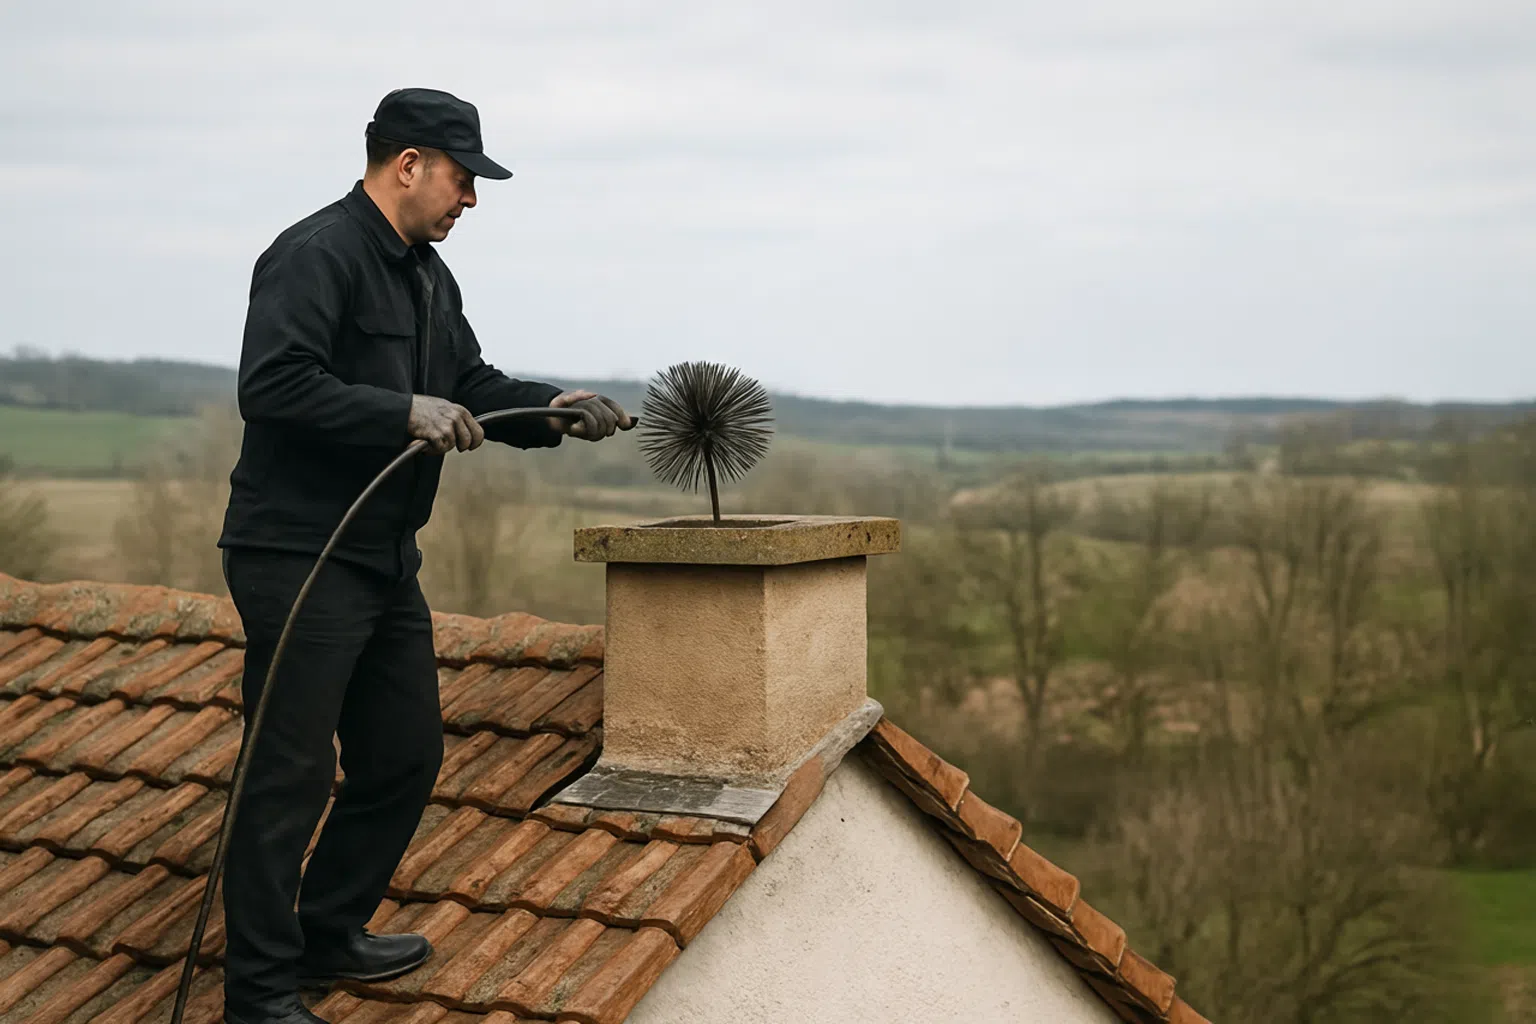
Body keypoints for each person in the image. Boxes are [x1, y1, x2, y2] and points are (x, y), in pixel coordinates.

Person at [216, 88, 631, 1024]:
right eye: (463, 178)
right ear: (407, 164)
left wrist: (555, 407)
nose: (470, 200)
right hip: (298, 553)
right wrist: (397, 410)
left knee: (403, 755)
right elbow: (273, 385)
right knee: (288, 773)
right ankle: (258, 992)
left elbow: (469, 384)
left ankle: (328, 932)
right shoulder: (314, 254)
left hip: (381, 555)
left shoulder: (427, 275)